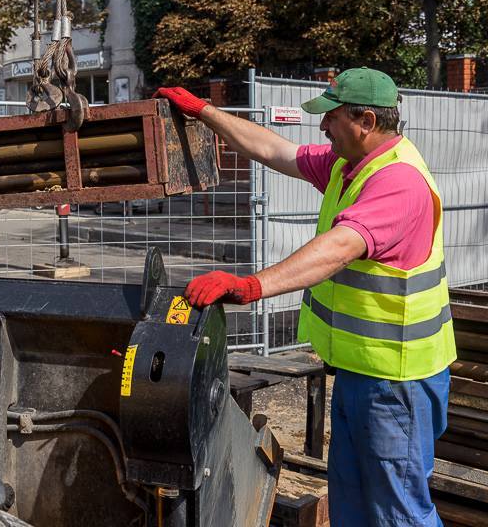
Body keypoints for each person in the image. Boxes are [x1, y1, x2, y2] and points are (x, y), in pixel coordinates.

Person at [156, 67, 456, 527]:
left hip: (398, 383)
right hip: (363, 373)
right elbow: (274, 150)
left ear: (366, 122)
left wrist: (252, 286)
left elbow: (337, 249)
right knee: (353, 502)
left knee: (399, 513)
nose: (322, 126)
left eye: (331, 117)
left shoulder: (399, 182)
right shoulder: (349, 165)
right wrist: (207, 113)